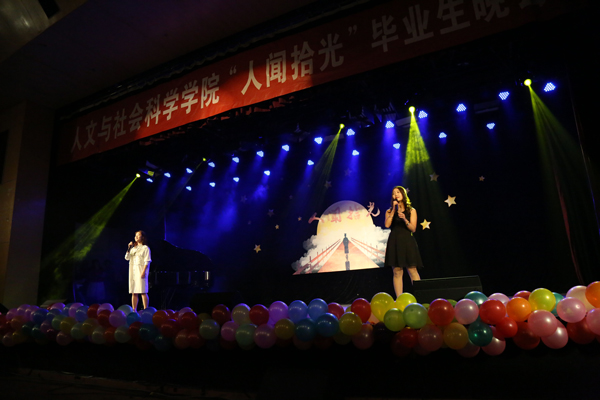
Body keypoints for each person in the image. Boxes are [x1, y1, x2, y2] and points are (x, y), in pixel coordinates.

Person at [384, 186, 422, 297]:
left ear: (403, 194)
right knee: (397, 271)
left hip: (407, 242)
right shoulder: (389, 211)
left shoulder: (411, 210)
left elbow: (413, 229)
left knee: (412, 270)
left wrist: (405, 219)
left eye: (398, 192)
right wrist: (393, 210)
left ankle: (420, 296)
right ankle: (399, 298)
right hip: (394, 242)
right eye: (393, 193)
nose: (395, 194)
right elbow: (387, 225)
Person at [125, 230, 152, 310]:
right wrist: (129, 248)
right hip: (133, 272)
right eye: (135, 235)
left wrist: (144, 272)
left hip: (140, 271)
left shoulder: (145, 248)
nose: (136, 237)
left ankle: (146, 309)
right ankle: (134, 310)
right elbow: (127, 258)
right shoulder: (133, 249)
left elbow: (147, 261)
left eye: (138, 235)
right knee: (134, 292)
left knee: (143, 291)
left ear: (142, 237)